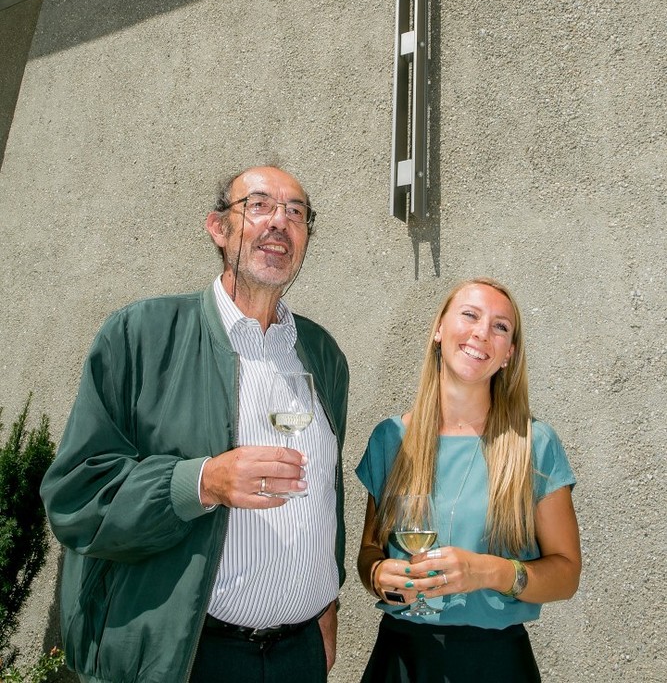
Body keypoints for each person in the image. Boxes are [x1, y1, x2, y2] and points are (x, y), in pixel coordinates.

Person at [41, 165, 348, 683]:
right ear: (218, 227)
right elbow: (76, 496)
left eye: (296, 212)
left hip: (299, 655)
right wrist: (202, 482)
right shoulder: (142, 335)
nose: (279, 221)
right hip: (190, 656)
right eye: (258, 205)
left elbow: (325, 494)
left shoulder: (322, 354)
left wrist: (328, 602)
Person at [356, 277, 580, 683]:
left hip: (495, 665)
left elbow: (566, 576)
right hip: (401, 659)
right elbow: (370, 550)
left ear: (509, 354)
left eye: (500, 326)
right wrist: (376, 574)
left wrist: (487, 572)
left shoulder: (534, 444)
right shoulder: (391, 439)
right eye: (470, 315)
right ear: (439, 330)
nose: (482, 332)